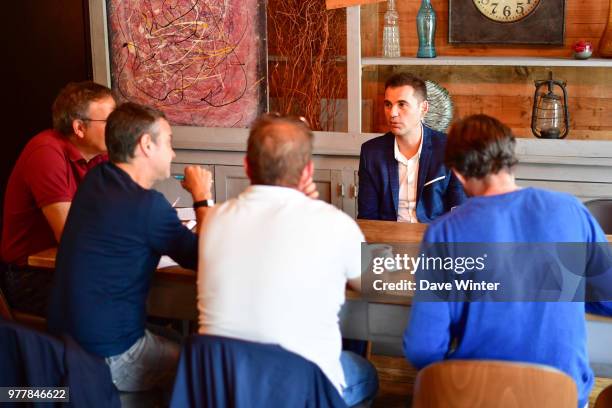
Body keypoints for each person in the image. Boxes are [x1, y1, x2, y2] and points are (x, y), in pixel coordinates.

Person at [403, 114, 612, 408]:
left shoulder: (444, 232)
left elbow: (422, 349)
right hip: (559, 398)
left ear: (459, 174)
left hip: (470, 397)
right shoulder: (571, 210)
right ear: (511, 159)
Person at [197, 114, 379, 406]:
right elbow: (372, 282)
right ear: (308, 171)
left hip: (227, 391)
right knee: (366, 374)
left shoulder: (213, 221)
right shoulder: (335, 225)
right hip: (304, 392)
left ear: (246, 166)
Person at [47, 102, 213, 392]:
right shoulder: (149, 207)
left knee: (177, 340)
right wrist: (202, 197)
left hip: (62, 346)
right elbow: (209, 258)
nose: (173, 153)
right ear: (147, 144)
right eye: (169, 142)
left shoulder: (95, 180)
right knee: (206, 368)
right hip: (109, 356)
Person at [1, 81, 116, 315]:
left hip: (71, 265)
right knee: (123, 301)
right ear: (79, 128)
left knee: (140, 292)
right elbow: (68, 234)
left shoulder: (98, 156)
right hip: (29, 276)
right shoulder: (46, 152)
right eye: (110, 121)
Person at [358, 73, 465, 222]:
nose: (392, 113)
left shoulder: (451, 148)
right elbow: (367, 217)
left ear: (424, 108)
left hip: (433, 238)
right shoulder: (371, 152)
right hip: (388, 240)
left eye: (402, 104)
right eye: (388, 104)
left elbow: (459, 211)